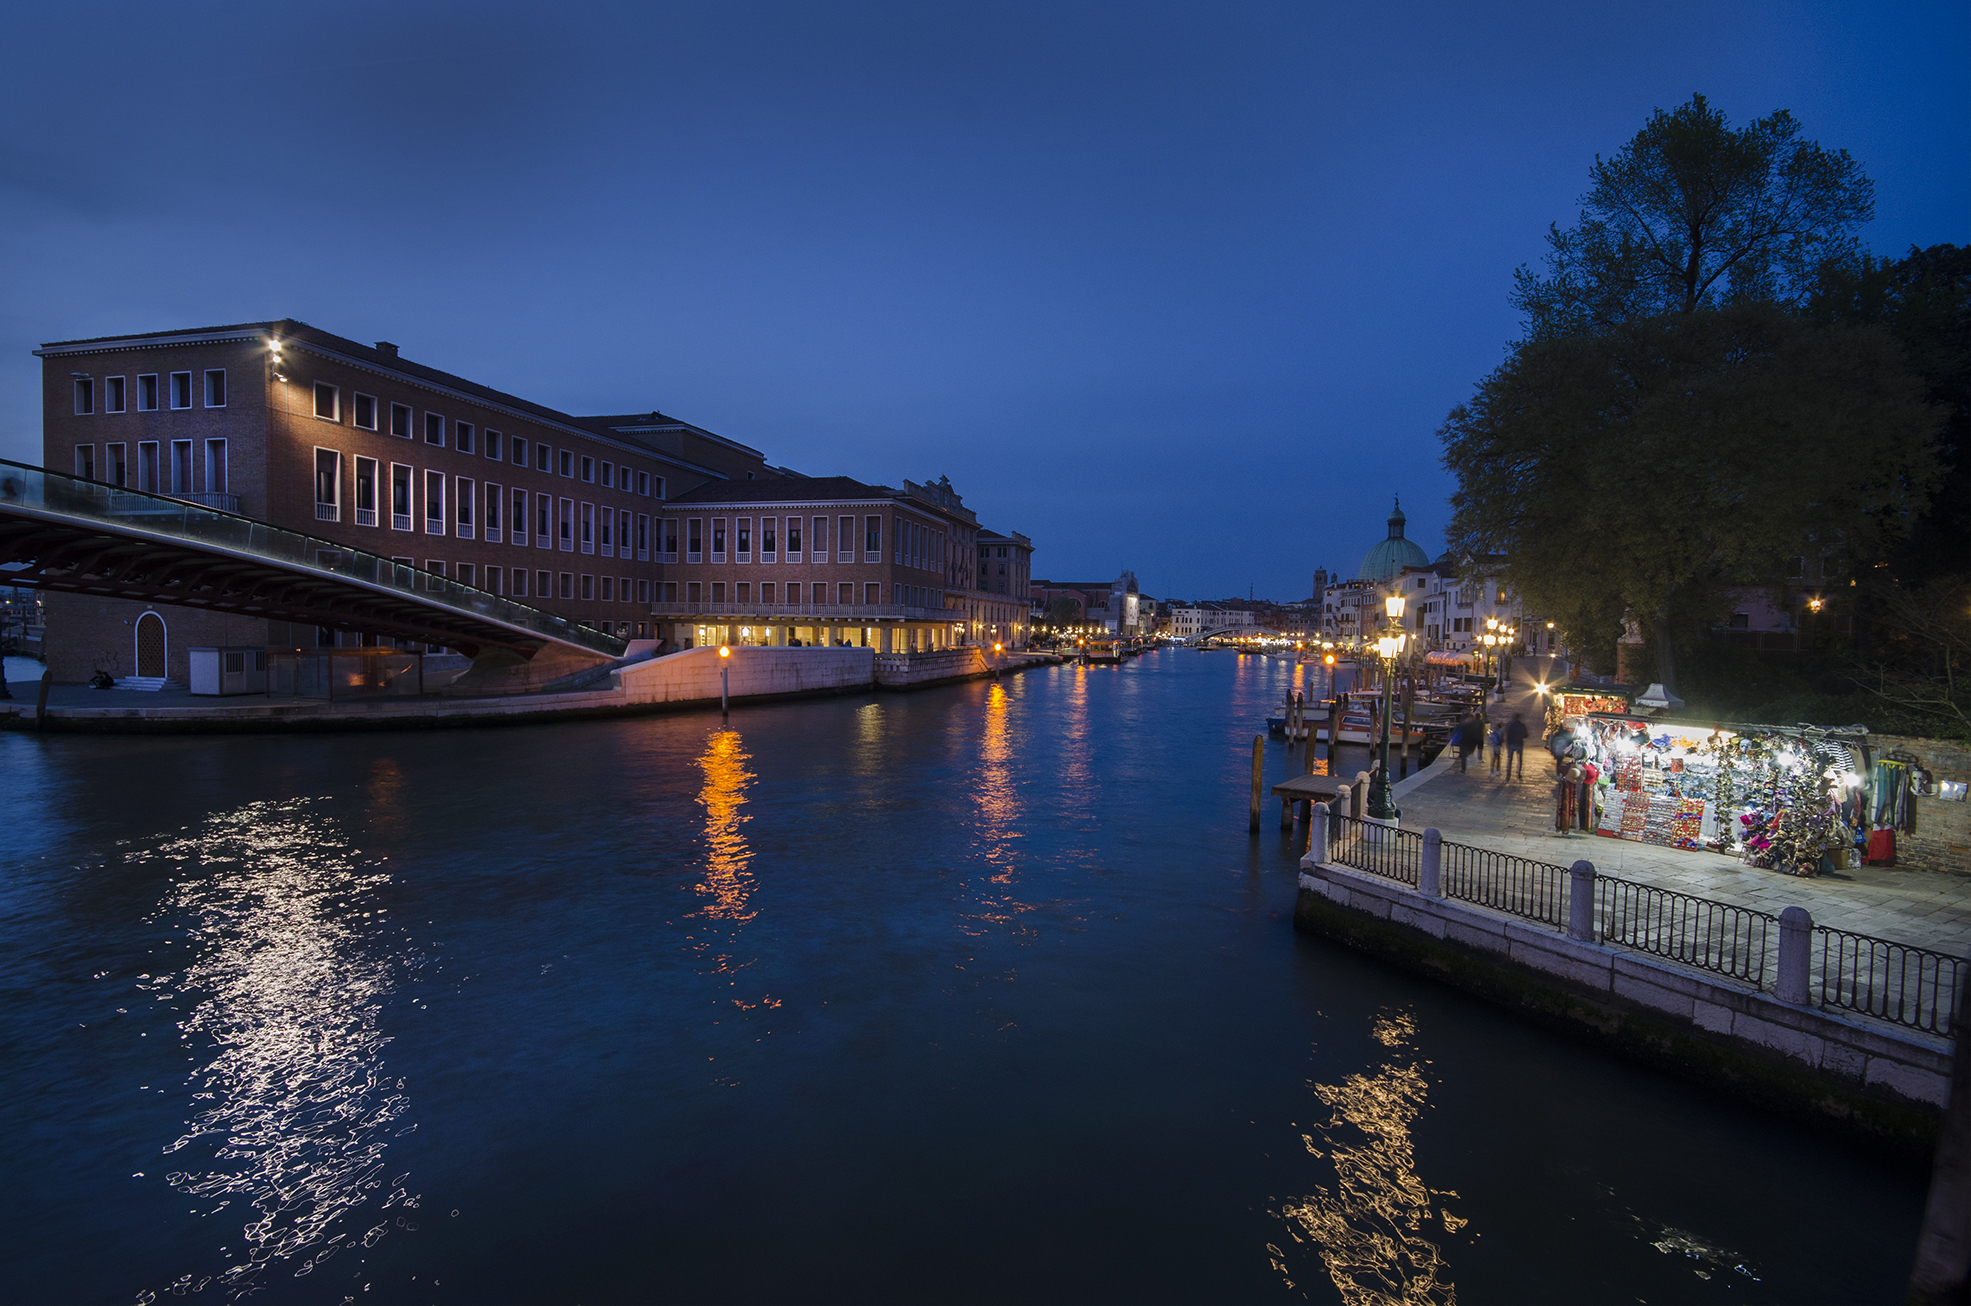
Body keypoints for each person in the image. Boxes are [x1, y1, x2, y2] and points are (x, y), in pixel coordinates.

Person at [1504, 713, 1528, 781]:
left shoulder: (1510, 725)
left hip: (1511, 743)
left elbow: (1507, 734)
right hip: (1519, 743)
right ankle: (1519, 774)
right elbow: (1525, 735)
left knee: (1510, 759)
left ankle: (1508, 774)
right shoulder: (1522, 726)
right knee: (1519, 759)